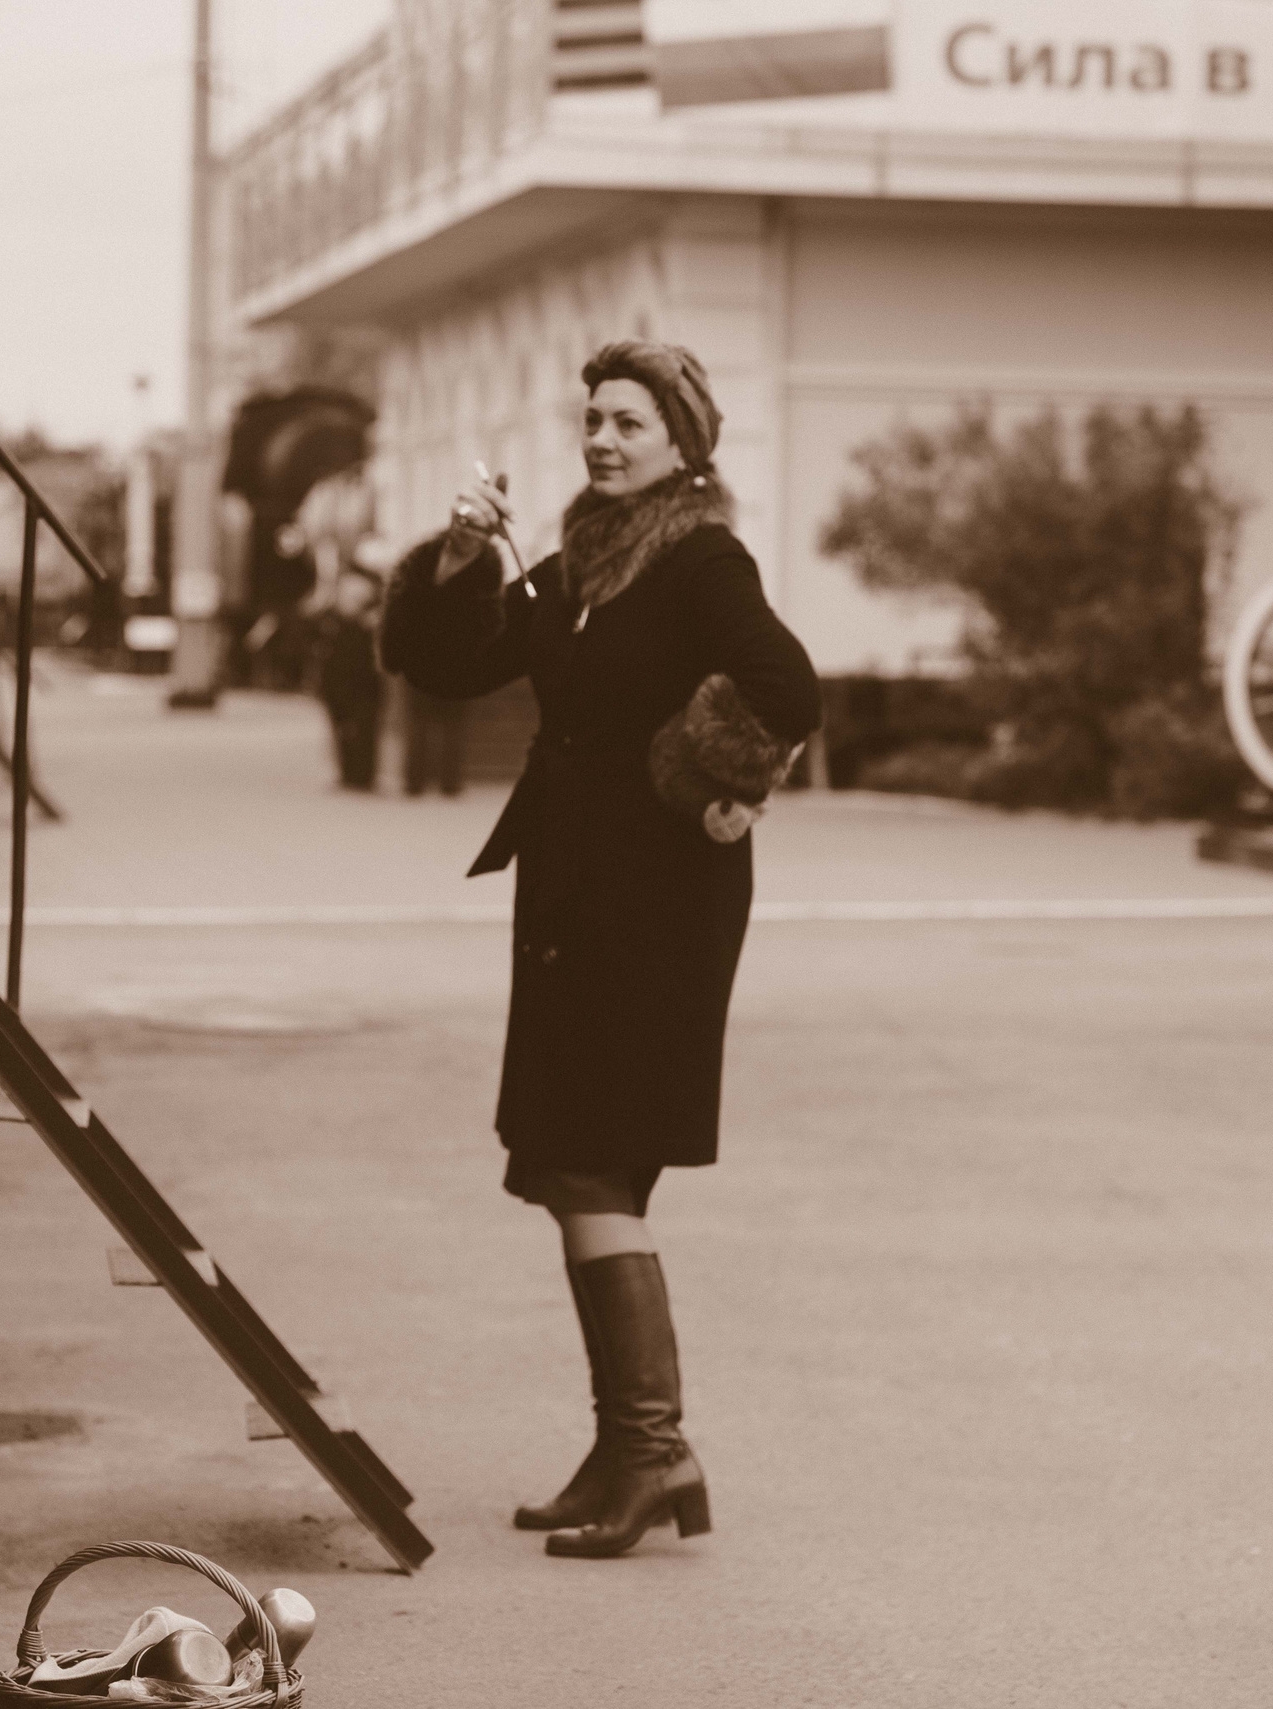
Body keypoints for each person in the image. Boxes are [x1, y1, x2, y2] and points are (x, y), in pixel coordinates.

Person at [379, 341, 820, 1559]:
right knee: (589, 1165)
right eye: (593, 418)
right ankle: (626, 1447)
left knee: (588, 1158)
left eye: (628, 420)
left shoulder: (698, 555)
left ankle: (649, 1446)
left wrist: (703, 779)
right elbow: (447, 663)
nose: (603, 437)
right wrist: (461, 558)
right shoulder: (581, 558)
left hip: (658, 897)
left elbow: (788, 688)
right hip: (579, 896)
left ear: (684, 442)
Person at [314, 569, 387, 791]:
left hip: (361, 684)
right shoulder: (334, 620)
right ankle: (349, 772)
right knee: (343, 728)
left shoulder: (366, 623)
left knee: (362, 728)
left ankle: (362, 775)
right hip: (340, 683)